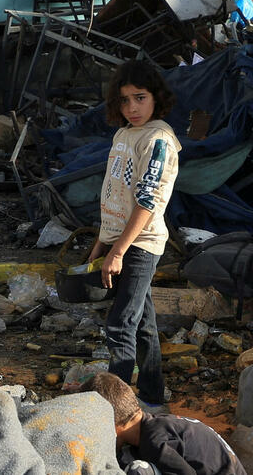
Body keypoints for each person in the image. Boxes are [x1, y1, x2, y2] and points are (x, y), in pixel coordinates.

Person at [89, 60, 181, 407]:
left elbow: (146, 201)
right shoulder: (125, 134)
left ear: (156, 98)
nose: (132, 108)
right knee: (142, 323)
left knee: (120, 324)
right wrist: (102, 243)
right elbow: (114, 192)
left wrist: (117, 252)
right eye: (125, 100)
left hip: (140, 244)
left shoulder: (158, 140)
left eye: (140, 98)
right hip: (119, 241)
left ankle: (115, 410)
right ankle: (153, 398)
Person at [85, 372, 246, 475]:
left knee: (138, 470)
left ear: (109, 423)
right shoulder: (155, 424)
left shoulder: (154, 442)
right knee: (125, 457)